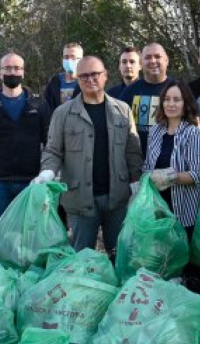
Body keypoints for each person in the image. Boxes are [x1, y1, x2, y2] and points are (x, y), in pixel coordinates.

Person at [38, 56, 142, 254]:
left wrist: (135, 182)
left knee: (119, 254)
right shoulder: (63, 113)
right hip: (79, 199)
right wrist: (47, 173)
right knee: (81, 257)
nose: (90, 79)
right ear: (77, 79)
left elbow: (132, 151)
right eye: (84, 76)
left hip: (117, 199)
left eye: (95, 74)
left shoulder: (122, 110)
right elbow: (52, 150)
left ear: (105, 76)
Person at [143, 80, 200, 295]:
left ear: (185, 103)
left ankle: (198, 313)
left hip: (185, 212)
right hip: (160, 212)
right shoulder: (156, 132)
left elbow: (197, 175)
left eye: (176, 99)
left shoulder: (193, 134)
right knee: (165, 264)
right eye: (167, 99)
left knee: (190, 267)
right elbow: (148, 166)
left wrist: (169, 177)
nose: (171, 104)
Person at [0, 52, 52, 221]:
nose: (12, 73)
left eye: (17, 68)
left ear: (23, 72)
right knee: (1, 230)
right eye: (7, 68)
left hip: (32, 181)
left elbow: (50, 143)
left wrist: (50, 174)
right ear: (0, 73)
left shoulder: (39, 105)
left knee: (30, 230)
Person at [120, 43, 176, 156]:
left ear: (166, 60)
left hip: (173, 163)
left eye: (157, 56)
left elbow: (194, 125)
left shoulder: (179, 89)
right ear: (141, 63)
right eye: (147, 57)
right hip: (139, 162)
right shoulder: (129, 92)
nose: (153, 61)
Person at [43, 42, 83, 111]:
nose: (69, 60)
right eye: (66, 57)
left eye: (73, 57)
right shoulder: (55, 82)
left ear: (81, 59)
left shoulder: (87, 82)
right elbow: (46, 106)